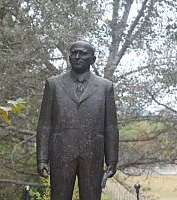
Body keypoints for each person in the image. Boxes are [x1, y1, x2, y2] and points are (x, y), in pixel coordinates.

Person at [36, 40, 119, 200]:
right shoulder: (53, 84)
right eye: (74, 53)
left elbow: (111, 126)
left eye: (83, 53)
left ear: (93, 59)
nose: (77, 57)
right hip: (61, 152)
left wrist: (112, 160)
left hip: (93, 153)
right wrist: (42, 158)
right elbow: (44, 124)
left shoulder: (105, 87)